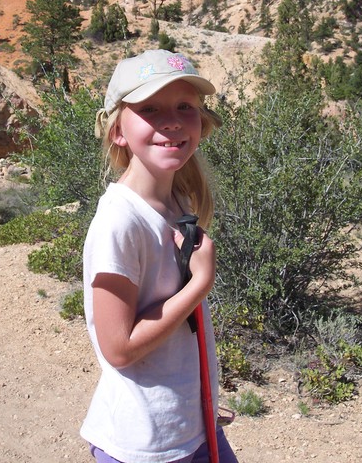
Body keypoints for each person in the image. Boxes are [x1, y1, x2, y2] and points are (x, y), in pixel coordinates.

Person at [81, 49, 238, 463]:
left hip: (191, 425)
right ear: (118, 130)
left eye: (185, 106)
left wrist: (199, 398)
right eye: (150, 108)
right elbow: (119, 348)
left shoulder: (178, 200)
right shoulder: (120, 222)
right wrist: (201, 285)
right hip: (146, 444)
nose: (171, 120)